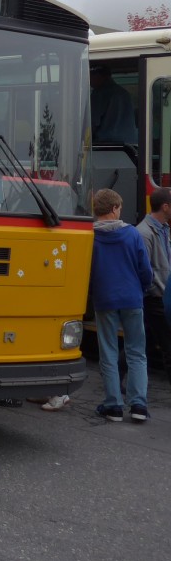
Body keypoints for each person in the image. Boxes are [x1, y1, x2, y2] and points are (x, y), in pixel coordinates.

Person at [89, 188, 153, 423]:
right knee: (137, 352)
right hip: (132, 298)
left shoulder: (91, 236)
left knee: (108, 352)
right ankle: (138, 404)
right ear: (115, 208)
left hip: (105, 299)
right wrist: (142, 288)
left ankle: (113, 405)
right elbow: (145, 269)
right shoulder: (132, 235)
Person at [135, 186, 171, 380]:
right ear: (165, 207)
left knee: (145, 341)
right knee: (167, 342)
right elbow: (144, 269)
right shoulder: (144, 233)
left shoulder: (164, 229)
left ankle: (119, 372)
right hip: (156, 297)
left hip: (164, 295)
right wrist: (156, 290)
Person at [90, 63, 138, 145]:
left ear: (98, 75)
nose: (89, 80)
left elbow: (92, 123)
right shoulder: (124, 93)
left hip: (107, 147)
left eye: (90, 76)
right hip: (129, 148)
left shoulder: (99, 93)